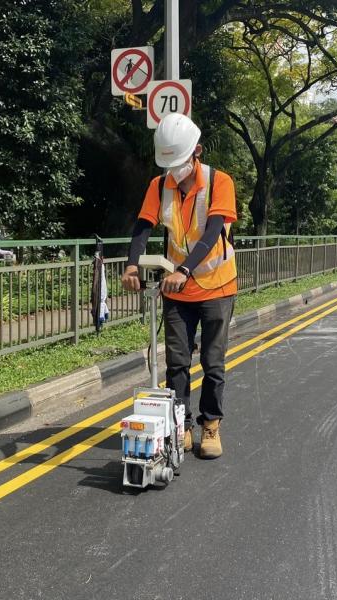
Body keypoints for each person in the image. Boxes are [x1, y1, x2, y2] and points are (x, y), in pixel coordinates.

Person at [122, 113, 237, 459]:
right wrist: (131, 264)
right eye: (169, 164)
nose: (175, 170)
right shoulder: (160, 186)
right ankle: (181, 425)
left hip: (216, 286)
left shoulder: (220, 182)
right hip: (178, 290)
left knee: (213, 363)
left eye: (181, 162)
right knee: (177, 363)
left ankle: (211, 425)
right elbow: (143, 226)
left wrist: (184, 270)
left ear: (197, 152)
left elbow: (213, 231)